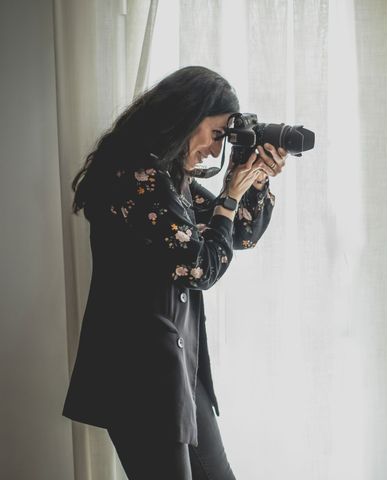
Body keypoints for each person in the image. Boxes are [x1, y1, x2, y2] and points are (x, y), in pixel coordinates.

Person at [63, 66, 287, 479]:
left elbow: (240, 235)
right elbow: (200, 266)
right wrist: (230, 195)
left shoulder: (169, 179)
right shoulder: (136, 178)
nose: (216, 149)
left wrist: (254, 181)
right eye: (217, 134)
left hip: (177, 370)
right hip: (138, 374)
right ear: (186, 115)